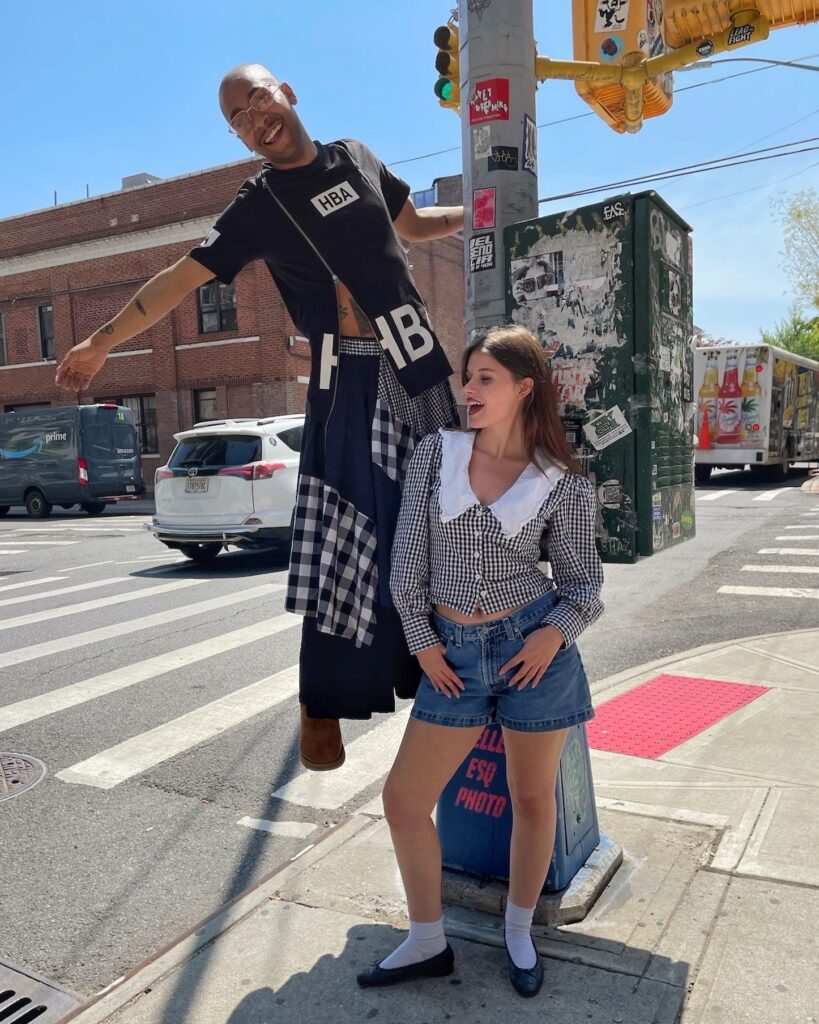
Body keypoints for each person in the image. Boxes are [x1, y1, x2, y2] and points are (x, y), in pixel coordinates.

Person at [55, 63, 464, 771]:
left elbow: (418, 224)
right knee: (347, 541)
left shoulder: (358, 156)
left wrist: (493, 207)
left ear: (289, 92)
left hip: (419, 365)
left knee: (438, 526)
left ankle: (436, 673)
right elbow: (176, 281)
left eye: (257, 100)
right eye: (237, 119)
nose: (253, 120)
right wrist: (99, 342)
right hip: (351, 377)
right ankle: (321, 704)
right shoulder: (260, 203)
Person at [356, 324, 603, 997]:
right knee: (404, 801)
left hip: (534, 653)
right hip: (451, 658)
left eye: (484, 378)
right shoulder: (436, 455)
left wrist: (551, 636)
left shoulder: (564, 483)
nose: (468, 390)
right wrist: (422, 639)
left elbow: (583, 587)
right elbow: (407, 557)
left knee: (531, 799)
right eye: (467, 377)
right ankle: (426, 939)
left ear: (525, 388)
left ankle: (519, 933)